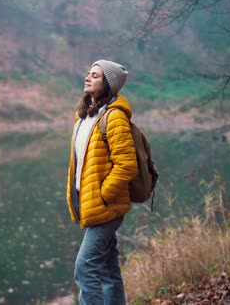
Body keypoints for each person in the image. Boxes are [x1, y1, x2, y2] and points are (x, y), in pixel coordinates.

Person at [66, 60, 138, 304]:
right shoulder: (84, 115)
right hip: (92, 205)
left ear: (107, 84)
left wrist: (103, 194)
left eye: (95, 76)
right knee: (107, 271)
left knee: (85, 269)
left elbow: (127, 165)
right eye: (88, 73)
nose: (87, 77)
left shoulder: (115, 117)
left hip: (106, 206)